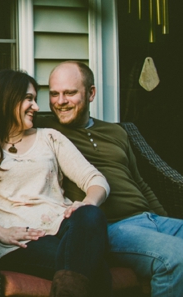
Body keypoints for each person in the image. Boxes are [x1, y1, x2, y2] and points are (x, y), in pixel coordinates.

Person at [0, 69, 112, 297]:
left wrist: (85, 203)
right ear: (6, 100)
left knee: (91, 214)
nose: (36, 107)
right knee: (97, 269)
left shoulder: (50, 137)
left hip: (64, 227)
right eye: (29, 99)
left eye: (35, 99)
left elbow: (96, 180)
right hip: (18, 241)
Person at [38, 61, 183, 297]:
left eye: (70, 93)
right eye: (54, 94)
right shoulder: (45, 133)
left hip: (150, 219)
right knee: (176, 256)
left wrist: (162, 221)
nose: (60, 101)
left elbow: (140, 183)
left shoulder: (117, 132)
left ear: (91, 93)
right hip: (112, 228)